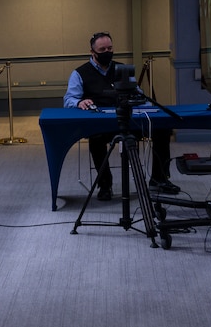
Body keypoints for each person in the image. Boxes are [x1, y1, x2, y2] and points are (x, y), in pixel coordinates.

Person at [63, 31, 180, 201]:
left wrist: (138, 99)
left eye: (110, 48)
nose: (107, 52)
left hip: (129, 119)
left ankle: (159, 179)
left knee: (162, 130)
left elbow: (139, 94)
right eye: (102, 50)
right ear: (92, 52)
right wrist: (79, 103)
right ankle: (105, 185)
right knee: (96, 140)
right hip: (101, 124)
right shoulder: (79, 73)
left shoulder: (122, 69)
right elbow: (69, 99)